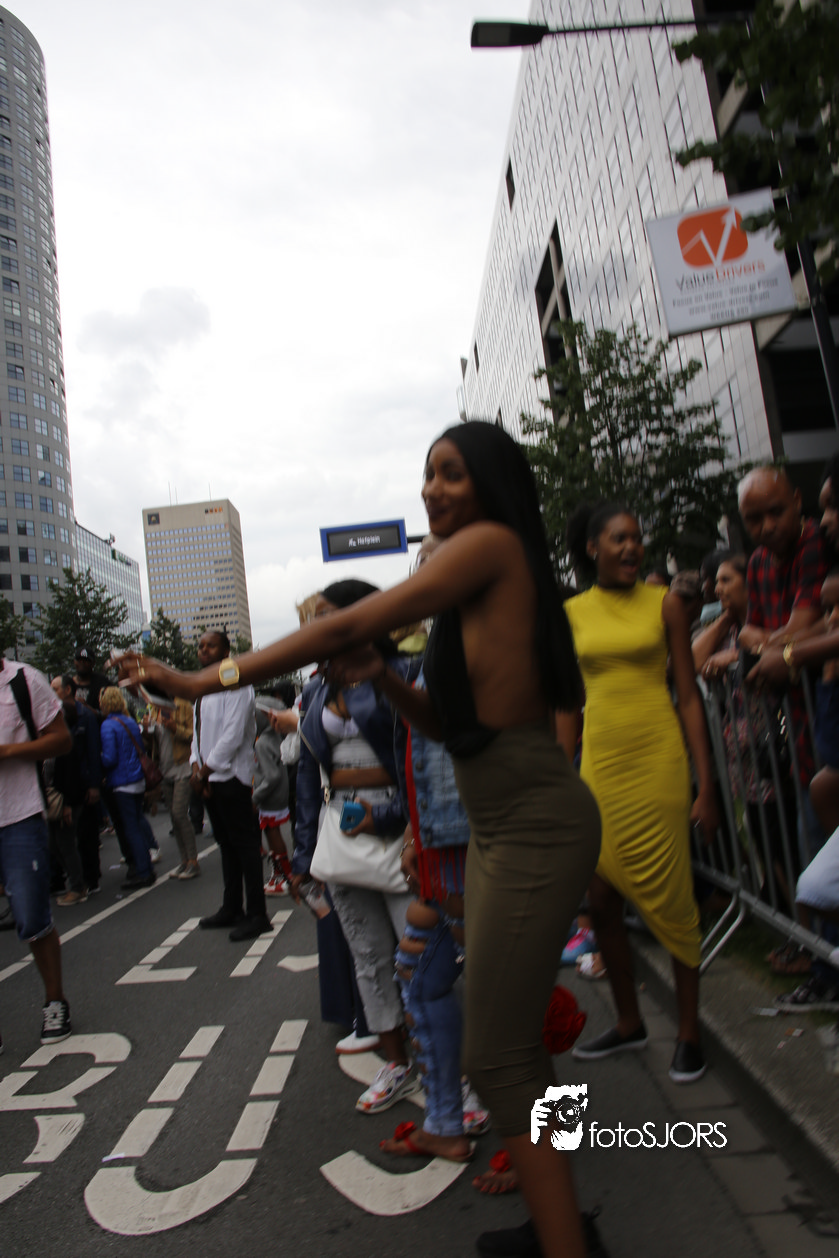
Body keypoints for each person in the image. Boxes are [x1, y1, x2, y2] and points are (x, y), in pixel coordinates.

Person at [114, 420, 603, 1258]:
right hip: (496, 828)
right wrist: (385, 678)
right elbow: (448, 726)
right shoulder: (482, 586)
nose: (432, 488)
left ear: (490, 485)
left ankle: (565, 1238)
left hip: (531, 824)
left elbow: (344, 626)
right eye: (427, 474)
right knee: (509, 1043)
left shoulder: (488, 546)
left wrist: (201, 679)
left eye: (451, 473)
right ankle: (556, 1211)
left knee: (498, 1051)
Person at [564, 502, 717, 1086]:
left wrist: (706, 786)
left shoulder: (666, 604)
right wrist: (560, 780)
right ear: (592, 549)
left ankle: (689, 1034)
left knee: (674, 898)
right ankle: (629, 1022)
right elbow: (567, 704)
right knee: (601, 897)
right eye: (619, 539)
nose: (632, 547)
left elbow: (688, 695)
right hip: (600, 767)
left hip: (658, 764)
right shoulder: (571, 613)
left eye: (637, 538)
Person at [291, 579, 418, 1113]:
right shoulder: (317, 690)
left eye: (327, 614)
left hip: (401, 837)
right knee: (369, 959)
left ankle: (446, 1073)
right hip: (340, 834)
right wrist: (303, 856)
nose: (316, 626)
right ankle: (399, 1065)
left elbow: (423, 764)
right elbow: (307, 774)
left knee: (420, 961)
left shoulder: (404, 673)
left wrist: (389, 818)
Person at [0, 655, 74, 1045]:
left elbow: (62, 739)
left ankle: (54, 1000)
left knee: (31, 916)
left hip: (19, 816)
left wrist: (8, 752)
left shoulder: (23, 680)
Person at [190, 630, 270, 942]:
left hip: (233, 777)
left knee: (246, 846)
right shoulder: (203, 687)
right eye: (200, 646)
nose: (204, 650)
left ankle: (258, 914)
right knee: (226, 844)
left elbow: (234, 735)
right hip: (209, 778)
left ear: (226, 650)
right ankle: (232, 907)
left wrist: (204, 771)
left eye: (211, 645)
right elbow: (197, 734)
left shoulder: (236, 683)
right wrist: (196, 767)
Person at [99, 687, 157, 890]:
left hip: (122, 781)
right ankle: (147, 867)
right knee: (137, 823)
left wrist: (98, 758)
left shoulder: (108, 725)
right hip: (138, 778)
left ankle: (143, 871)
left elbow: (110, 758)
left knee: (131, 829)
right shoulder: (130, 721)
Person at [144, 693, 199, 880]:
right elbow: (153, 742)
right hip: (164, 769)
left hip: (182, 767)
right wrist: (146, 731)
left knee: (179, 813)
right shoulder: (154, 708)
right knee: (174, 819)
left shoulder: (183, 705)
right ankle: (184, 861)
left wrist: (175, 728)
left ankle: (193, 861)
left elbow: (194, 735)